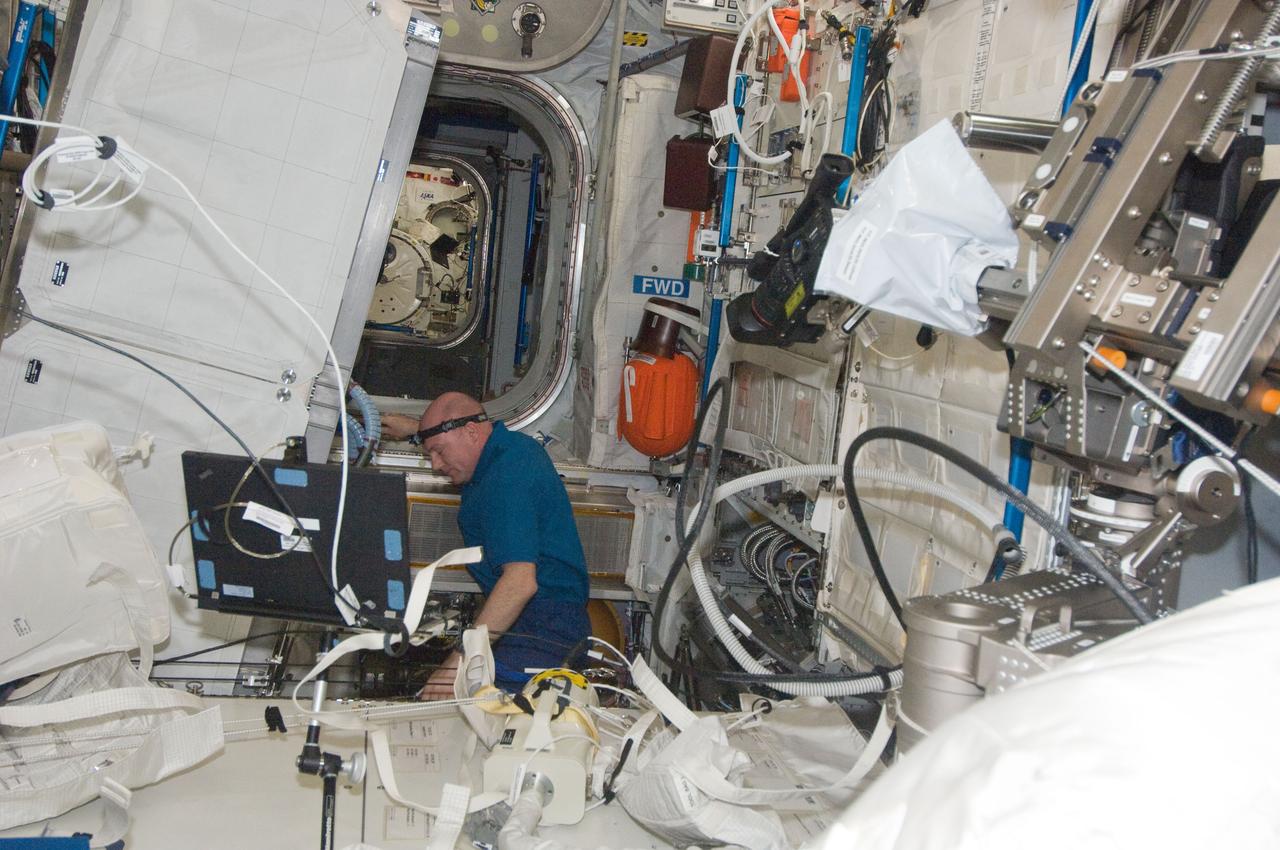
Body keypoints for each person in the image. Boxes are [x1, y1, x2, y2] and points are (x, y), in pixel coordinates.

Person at [382, 394, 590, 699]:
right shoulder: (504, 450)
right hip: (529, 622)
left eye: (438, 453)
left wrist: (455, 666)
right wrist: (417, 431)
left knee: (474, 704)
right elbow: (454, 432)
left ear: (470, 433)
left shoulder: (505, 476)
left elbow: (520, 583)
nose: (436, 465)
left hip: (544, 627)